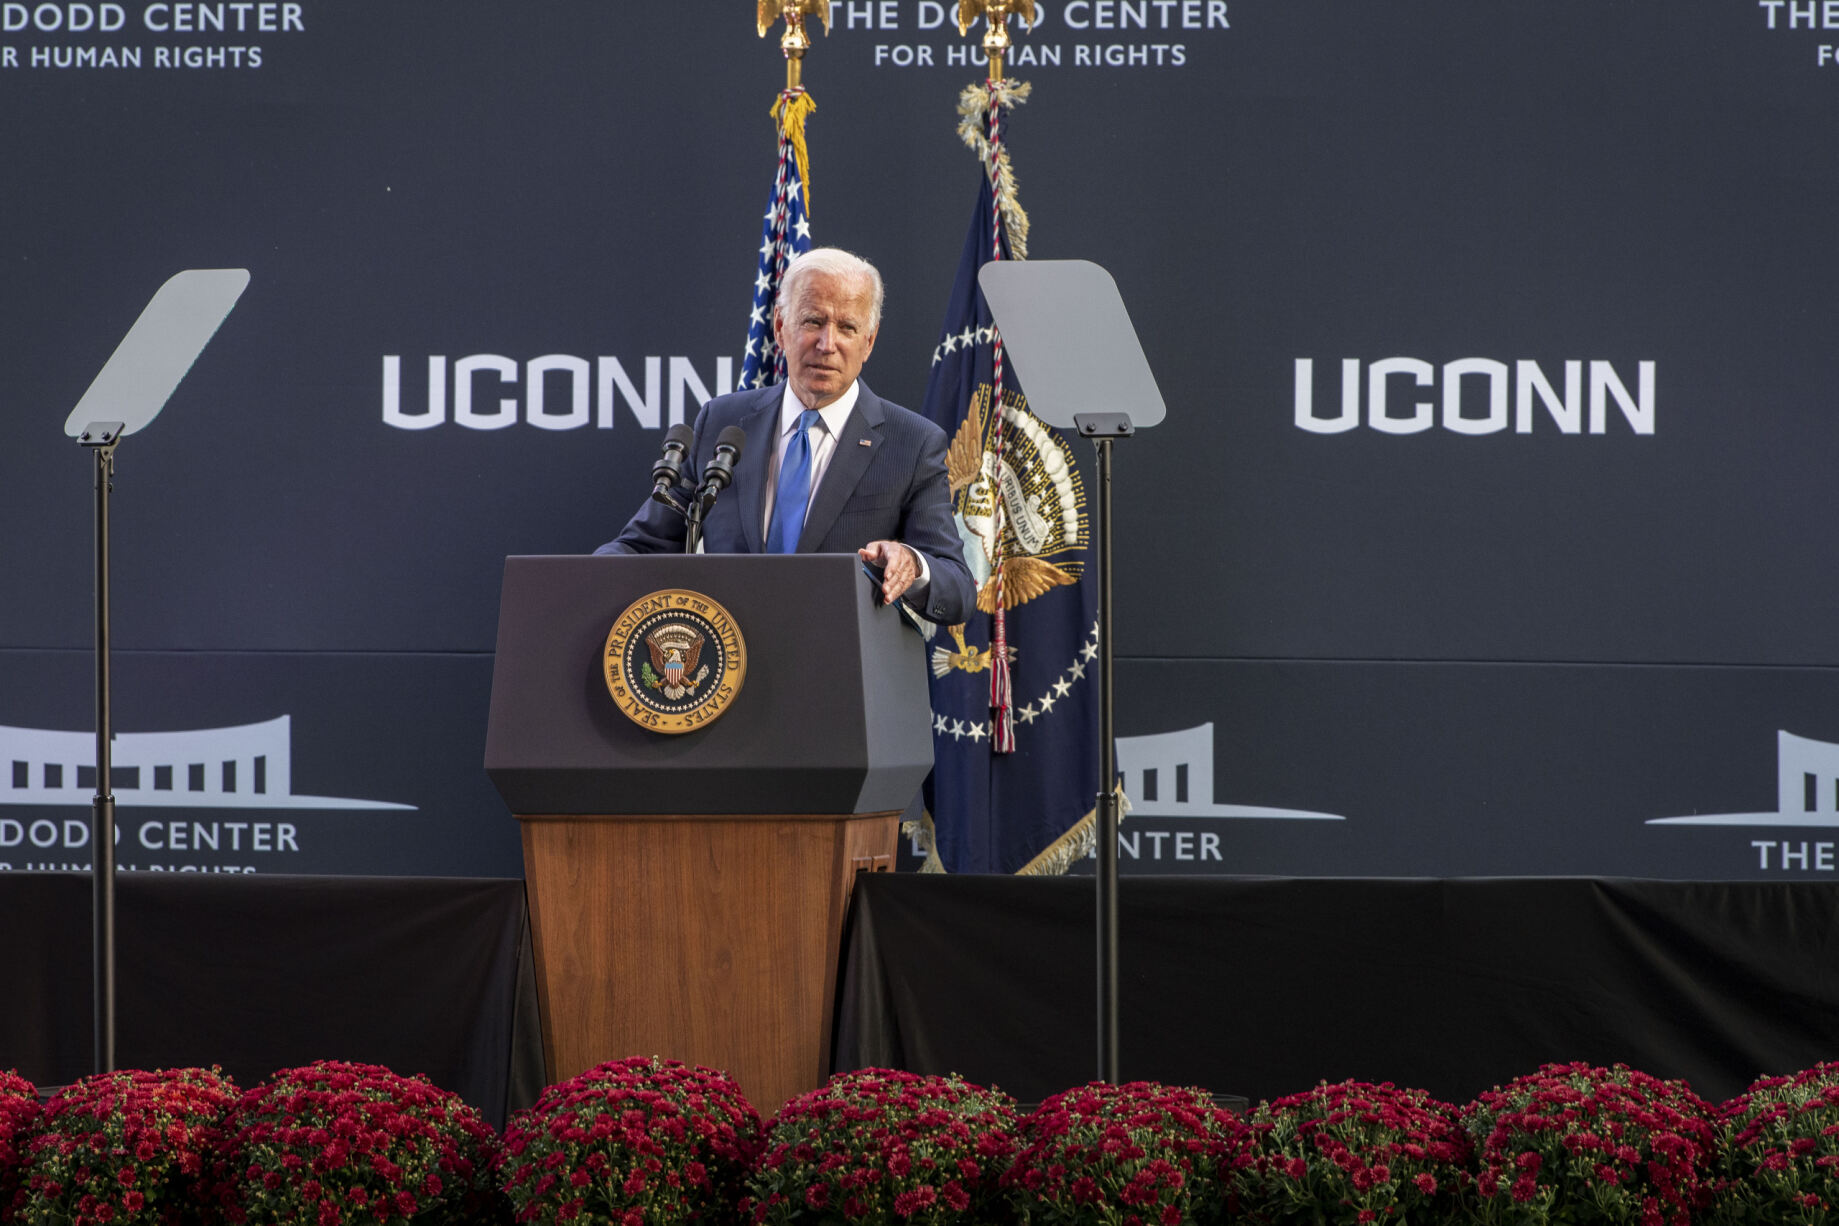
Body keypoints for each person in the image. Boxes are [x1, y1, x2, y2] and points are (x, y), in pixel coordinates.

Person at [597, 248, 973, 625]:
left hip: (843, 671)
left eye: (847, 328)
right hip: (729, 665)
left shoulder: (912, 443)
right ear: (780, 327)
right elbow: (643, 546)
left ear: (869, 341)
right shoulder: (723, 421)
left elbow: (956, 589)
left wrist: (913, 564)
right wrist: (580, 580)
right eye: (813, 322)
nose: (827, 344)